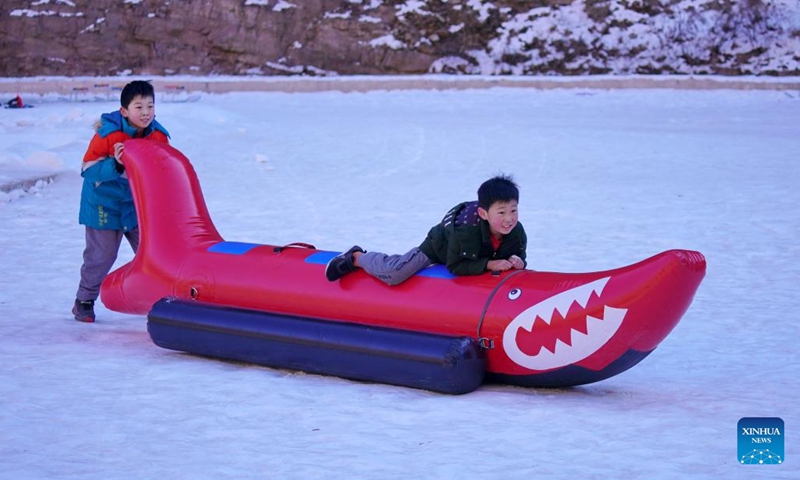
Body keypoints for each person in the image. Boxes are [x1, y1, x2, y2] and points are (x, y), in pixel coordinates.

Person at [72, 80, 170, 322]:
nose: (146, 112)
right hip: (103, 205)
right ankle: (84, 300)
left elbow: (164, 169)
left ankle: (164, 299)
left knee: (153, 251)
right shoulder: (107, 135)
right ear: (124, 111)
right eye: (139, 107)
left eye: (150, 106)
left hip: (136, 206)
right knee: (102, 255)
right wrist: (114, 165)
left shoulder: (157, 135)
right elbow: (88, 170)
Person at [325, 175, 527, 286]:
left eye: (513, 210)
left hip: (474, 254)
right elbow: (455, 265)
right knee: (395, 274)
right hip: (439, 247)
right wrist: (489, 264)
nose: (509, 219)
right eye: (501, 212)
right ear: (483, 214)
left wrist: (518, 261)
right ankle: (356, 257)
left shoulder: (516, 231)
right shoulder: (466, 230)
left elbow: (519, 257)